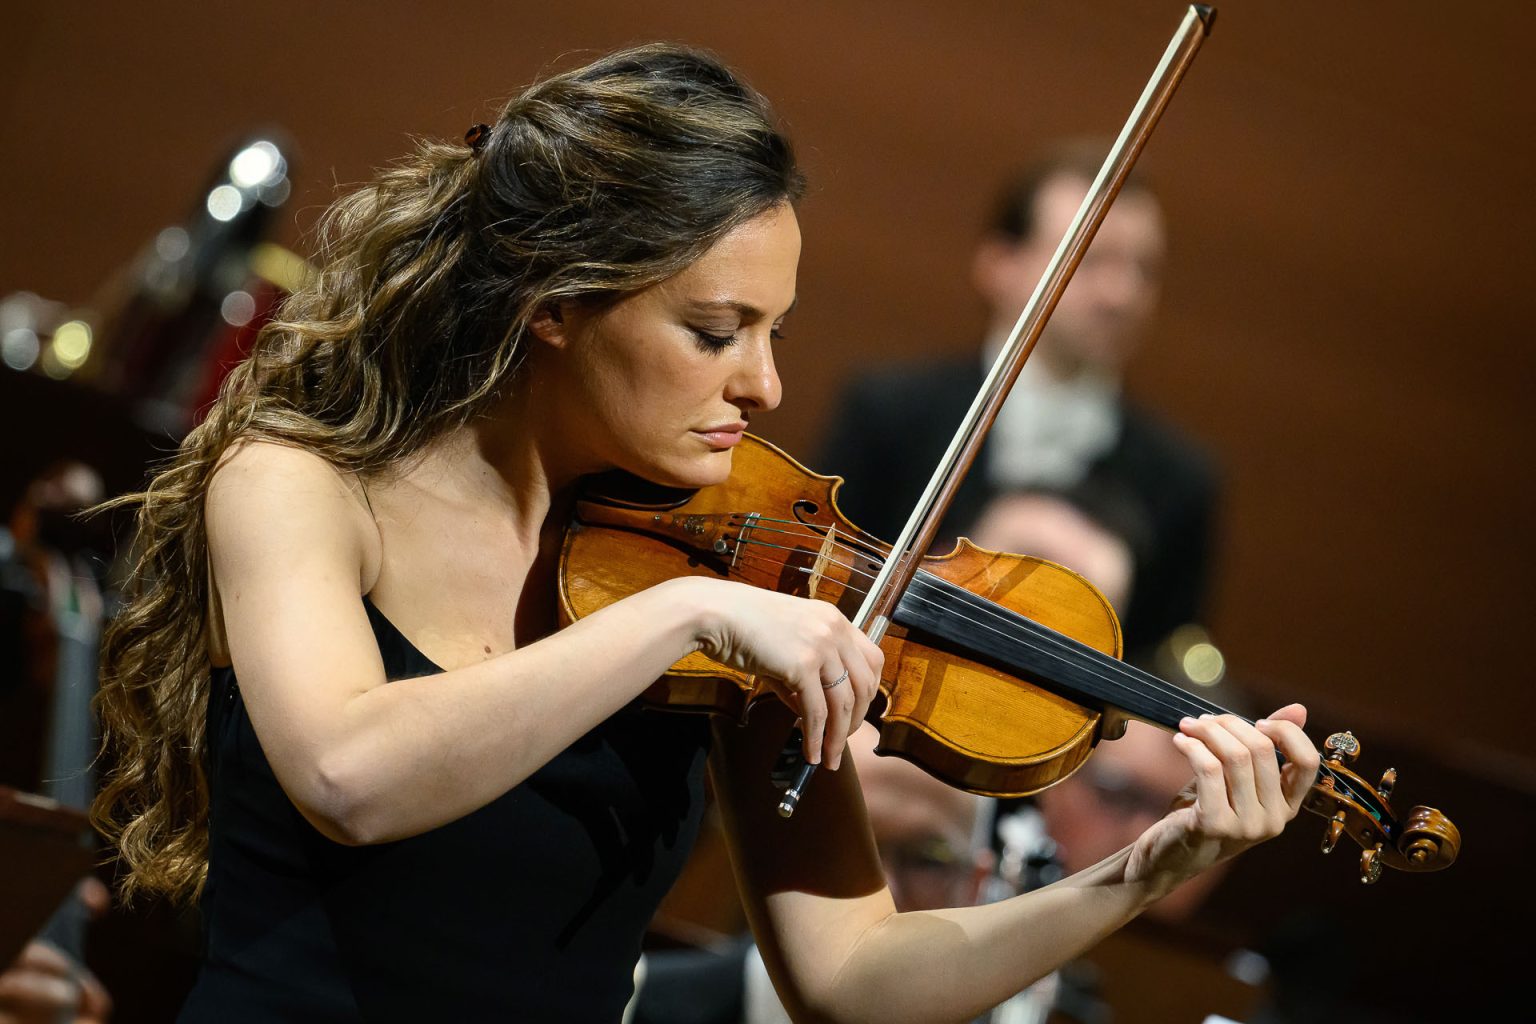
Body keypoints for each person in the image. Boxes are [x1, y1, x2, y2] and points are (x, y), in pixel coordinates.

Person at [89, 45, 1318, 1023]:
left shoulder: (747, 565)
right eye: (718, 330)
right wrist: (687, 613)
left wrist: (1141, 870)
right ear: (559, 302)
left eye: (776, 331)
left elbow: (852, 978)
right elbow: (350, 778)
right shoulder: (304, 483)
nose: (766, 385)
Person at [819, 142, 1216, 666]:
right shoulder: (888, 413)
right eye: (1092, 258)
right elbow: (821, 587)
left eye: (1144, 269)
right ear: (999, 265)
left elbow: (1160, 665)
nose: (1122, 293)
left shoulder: (1184, 481)